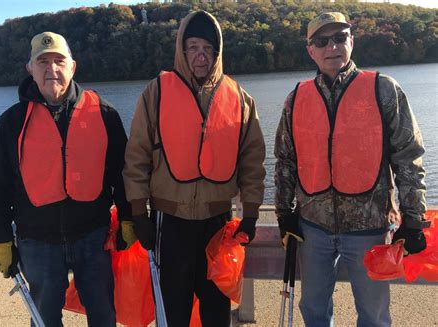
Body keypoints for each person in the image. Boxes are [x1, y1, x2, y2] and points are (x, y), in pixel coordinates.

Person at [274, 12, 429, 327]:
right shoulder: (296, 98)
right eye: (322, 40)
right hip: (313, 227)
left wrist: (413, 219)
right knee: (314, 311)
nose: (332, 46)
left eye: (340, 37)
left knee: (373, 316)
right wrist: (283, 213)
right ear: (310, 50)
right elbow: (285, 159)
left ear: (352, 41)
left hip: (369, 228)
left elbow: (408, 156)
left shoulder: (383, 89)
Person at [0, 31, 134, 327]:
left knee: (103, 316)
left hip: (94, 238)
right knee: (44, 320)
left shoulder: (104, 115)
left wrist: (128, 217)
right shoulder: (11, 123)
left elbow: (124, 173)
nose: (52, 69)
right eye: (43, 62)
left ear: (72, 67)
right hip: (36, 242)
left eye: (59, 61)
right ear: (31, 69)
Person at [123, 10, 265, 326]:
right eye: (193, 47)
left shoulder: (240, 99)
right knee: (175, 312)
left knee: (217, 311)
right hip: (169, 223)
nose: (200, 56)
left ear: (217, 53)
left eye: (207, 49)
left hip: (217, 223)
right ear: (182, 50)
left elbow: (252, 162)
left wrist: (251, 212)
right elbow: (136, 156)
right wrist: (138, 211)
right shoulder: (156, 93)